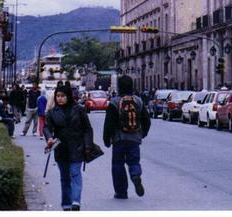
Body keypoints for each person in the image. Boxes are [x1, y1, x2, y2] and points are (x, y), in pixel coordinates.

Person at [44, 82, 94, 211]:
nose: (60, 98)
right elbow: (47, 128)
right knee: (64, 177)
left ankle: (76, 201)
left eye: (63, 96)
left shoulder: (79, 110)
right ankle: (66, 204)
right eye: (58, 96)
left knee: (75, 173)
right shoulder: (52, 112)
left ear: (69, 96)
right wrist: (49, 138)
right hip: (61, 147)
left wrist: (88, 146)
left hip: (77, 146)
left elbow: (87, 129)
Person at [103, 75, 151, 200]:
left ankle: (121, 192)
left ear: (119, 87)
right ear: (132, 86)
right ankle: (135, 175)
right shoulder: (139, 101)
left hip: (118, 139)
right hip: (134, 139)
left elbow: (109, 123)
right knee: (134, 161)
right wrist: (142, 133)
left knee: (118, 164)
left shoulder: (114, 102)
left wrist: (106, 139)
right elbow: (146, 120)